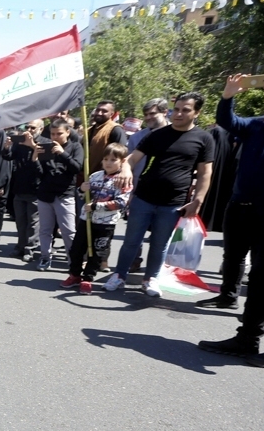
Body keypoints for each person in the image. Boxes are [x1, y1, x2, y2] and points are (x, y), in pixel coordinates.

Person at [104, 92, 214, 297]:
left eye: (186, 110)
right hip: (144, 198)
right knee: (131, 241)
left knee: (159, 243)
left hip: (174, 202)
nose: (179, 114)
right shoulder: (157, 135)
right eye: (177, 109)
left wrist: (197, 201)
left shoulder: (204, 138)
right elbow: (131, 158)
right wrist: (126, 169)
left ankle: (150, 279)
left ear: (196, 113)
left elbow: (206, 173)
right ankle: (118, 275)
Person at [198, 75, 264, 367]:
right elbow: (229, 122)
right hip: (241, 207)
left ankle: (249, 337)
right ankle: (247, 339)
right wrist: (228, 96)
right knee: (240, 263)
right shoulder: (260, 124)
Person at [60, 143, 133, 295]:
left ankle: (88, 278)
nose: (108, 162)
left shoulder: (123, 181)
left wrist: (97, 206)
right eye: (106, 159)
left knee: (97, 252)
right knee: (77, 249)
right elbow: (81, 196)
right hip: (86, 220)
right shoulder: (94, 176)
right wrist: (82, 189)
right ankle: (74, 275)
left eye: (113, 159)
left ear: (122, 161)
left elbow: (121, 202)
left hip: (105, 223)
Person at [35, 118, 84, 270]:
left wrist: (63, 154)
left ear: (68, 132)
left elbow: (77, 168)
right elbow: (39, 174)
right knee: (45, 230)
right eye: (53, 134)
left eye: (59, 134)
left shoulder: (75, 147)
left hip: (65, 194)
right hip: (46, 194)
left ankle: (73, 261)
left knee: (69, 231)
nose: (55, 137)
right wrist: (35, 158)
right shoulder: (46, 147)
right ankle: (45, 257)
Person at [2, 120, 48, 261]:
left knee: (33, 223)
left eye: (32, 128)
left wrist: (32, 146)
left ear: (41, 129)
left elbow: (44, 166)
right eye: (27, 127)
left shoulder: (45, 143)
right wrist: (7, 147)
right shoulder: (20, 142)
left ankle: (30, 249)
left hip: (36, 189)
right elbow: (8, 157)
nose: (29, 130)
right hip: (19, 187)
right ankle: (20, 246)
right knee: (20, 221)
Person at [127, 98, 169, 183]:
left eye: (152, 113)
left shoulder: (178, 134)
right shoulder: (135, 138)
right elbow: (129, 165)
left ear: (165, 112)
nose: (148, 117)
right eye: (146, 115)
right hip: (139, 189)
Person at [86, 100, 128, 172]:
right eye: (97, 110)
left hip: (105, 176)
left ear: (111, 114)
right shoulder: (89, 130)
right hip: (87, 175)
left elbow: (122, 153)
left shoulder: (115, 129)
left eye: (104, 111)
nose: (99, 113)